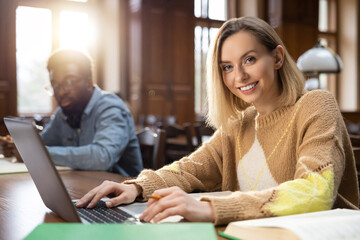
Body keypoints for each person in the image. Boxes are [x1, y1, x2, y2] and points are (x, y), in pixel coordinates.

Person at [76, 17, 359, 225]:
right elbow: (190, 170)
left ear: (277, 58)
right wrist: (136, 187)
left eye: (249, 59)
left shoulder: (316, 104)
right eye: (227, 67)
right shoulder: (239, 124)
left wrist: (213, 209)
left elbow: (315, 191)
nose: (239, 76)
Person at [40, 49, 143, 177]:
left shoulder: (110, 107)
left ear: (89, 83)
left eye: (69, 82)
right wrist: (19, 147)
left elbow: (102, 157)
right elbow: (41, 143)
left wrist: (40, 153)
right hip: (83, 187)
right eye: (55, 85)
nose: (61, 92)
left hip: (122, 193)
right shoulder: (63, 113)